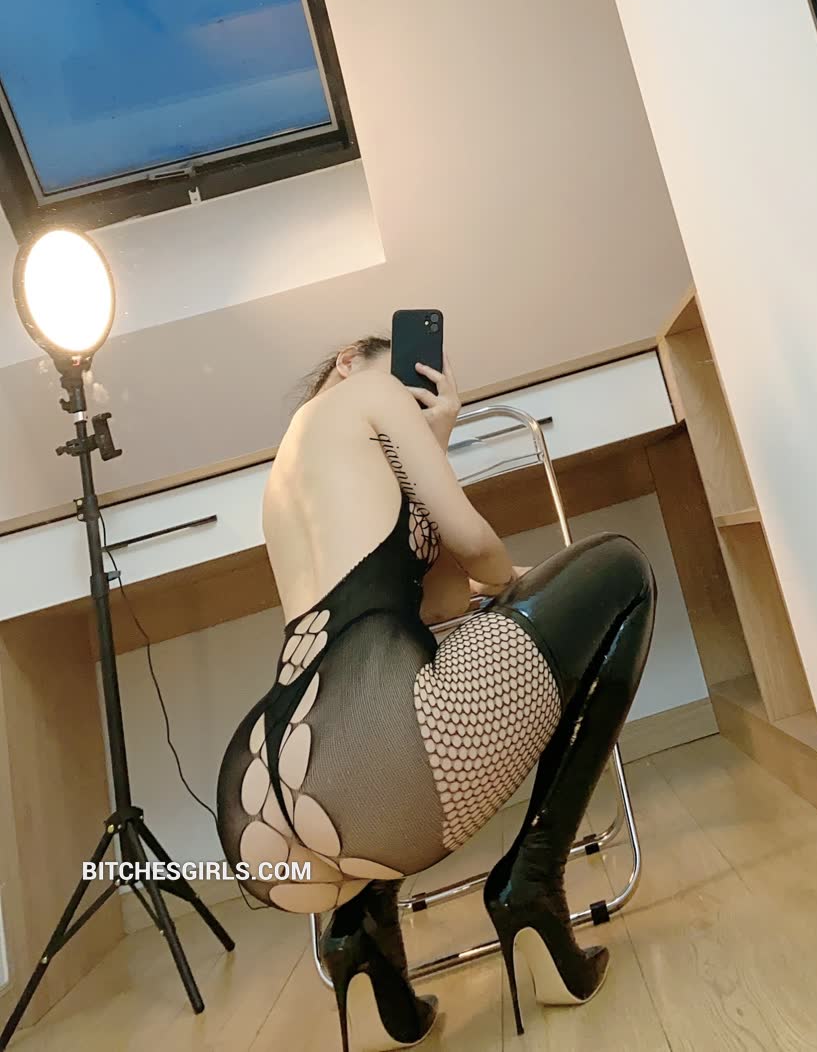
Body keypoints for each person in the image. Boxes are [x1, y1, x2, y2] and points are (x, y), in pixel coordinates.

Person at [216, 335, 655, 1050]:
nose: (413, 396)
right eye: (405, 377)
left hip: (265, 783)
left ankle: (358, 930)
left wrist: (428, 447)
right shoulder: (368, 392)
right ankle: (533, 881)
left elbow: (441, 601)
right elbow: (476, 549)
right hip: (393, 748)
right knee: (622, 571)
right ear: (349, 358)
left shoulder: (286, 477)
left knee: (383, 692)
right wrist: (519, 574)